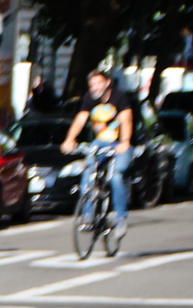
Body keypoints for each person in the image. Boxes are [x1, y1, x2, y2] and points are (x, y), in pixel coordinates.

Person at [58, 67, 138, 230]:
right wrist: (69, 139)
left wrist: (124, 142)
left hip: (120, 143)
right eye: (92, 85)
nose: (94, 88)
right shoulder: (89, 98)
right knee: (88, 172)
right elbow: (80, 119)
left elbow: (126, 120)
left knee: (116, 177)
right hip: (100, 142)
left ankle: (120, 217)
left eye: (98, 83)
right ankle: (88, 216)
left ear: (108, 83)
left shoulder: (119, 97)